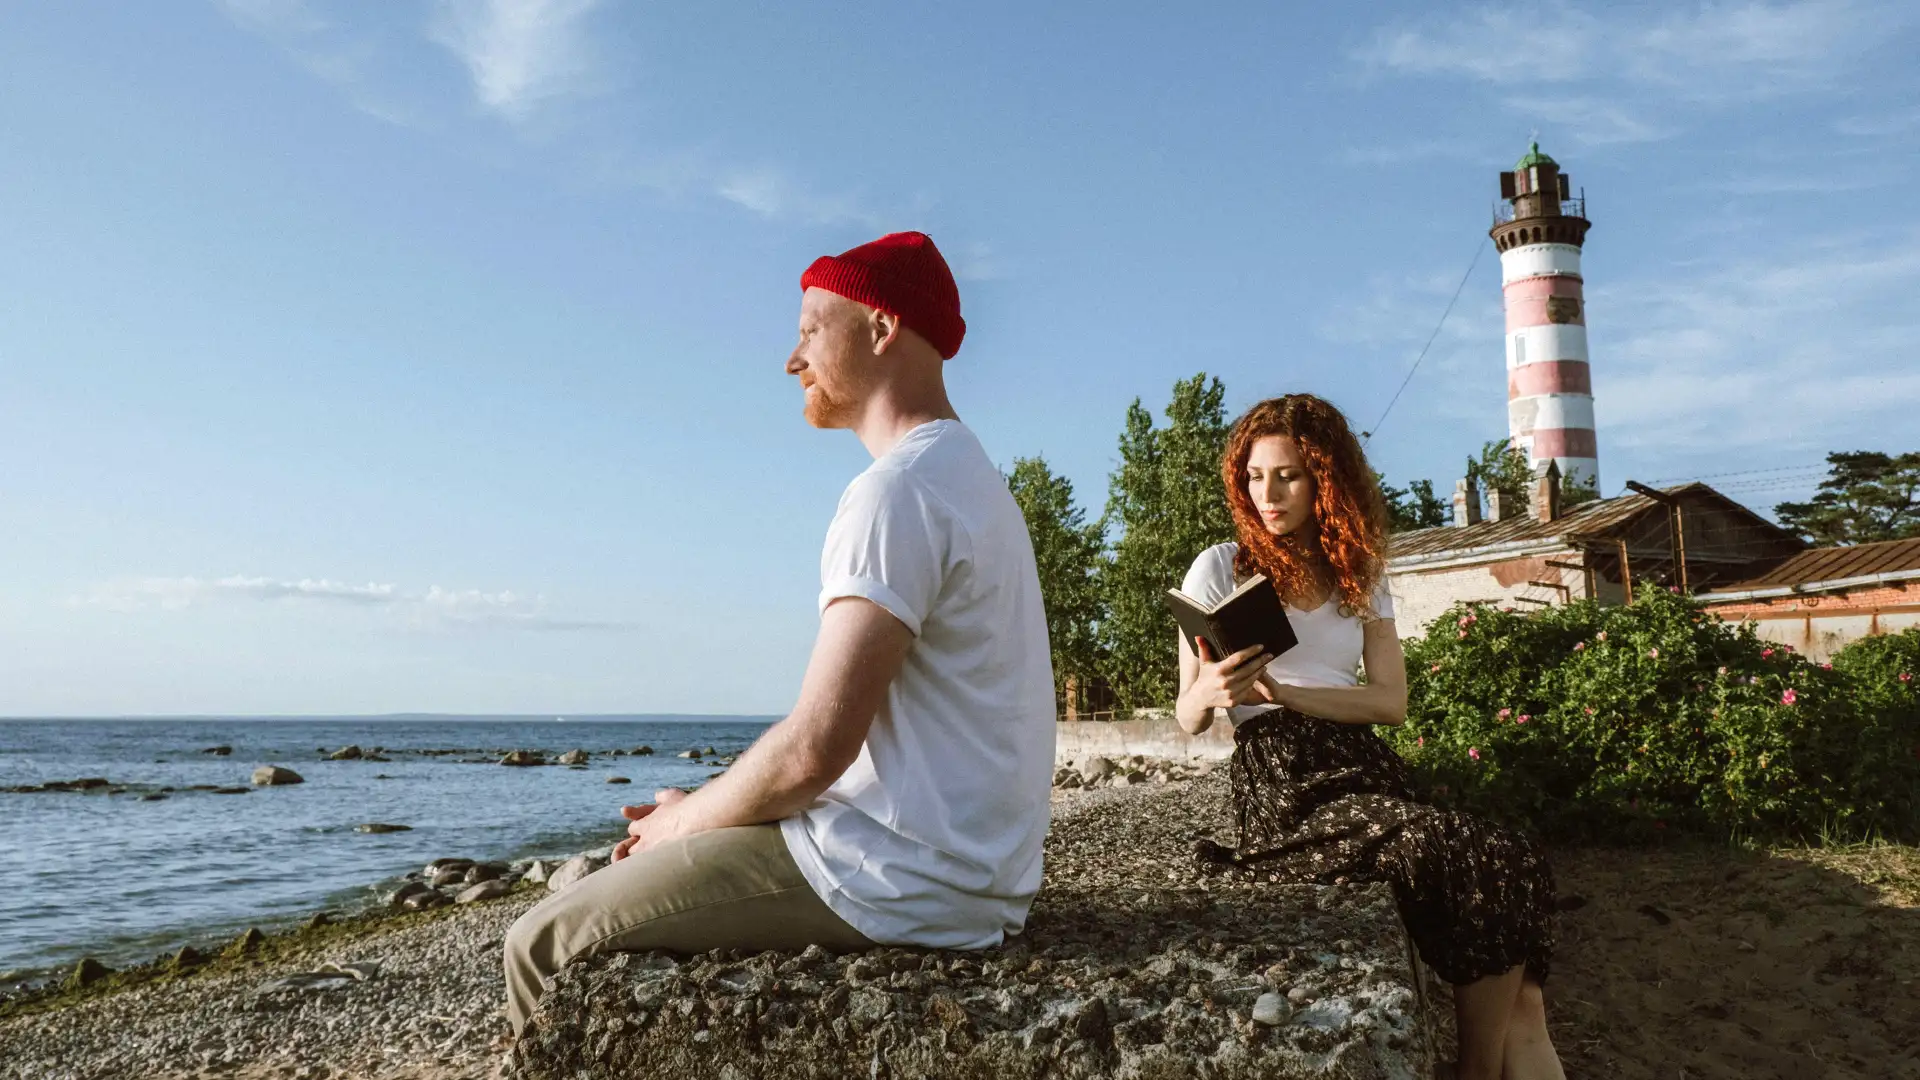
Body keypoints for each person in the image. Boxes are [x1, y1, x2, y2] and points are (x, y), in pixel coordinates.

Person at [501, 232, 1056, 1037]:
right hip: (970, 873)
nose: (791, 358)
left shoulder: (895, 493)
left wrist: (676, 827)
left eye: (808, 328)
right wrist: (710, 807)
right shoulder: (971, 479)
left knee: (539, 943)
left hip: (897, 880)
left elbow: (813, 750)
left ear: (879, 326)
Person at [1174, 394, 1564, 1080]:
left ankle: (1479, 1062)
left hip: (1361, 761)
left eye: (1288, 475)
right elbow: (1188, 715)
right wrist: (1213, 691)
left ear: (1324, 478)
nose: (1268, 493)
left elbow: (1390, 703)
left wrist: (1291, 691)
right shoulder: (1218, 567)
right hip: (1282, 776)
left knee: (1510, 861)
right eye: (1255, 477)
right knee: (1462, 853)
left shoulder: (1360, 569)